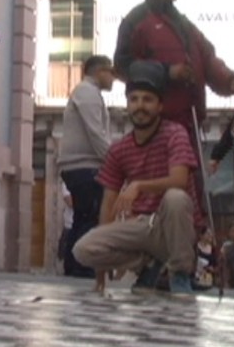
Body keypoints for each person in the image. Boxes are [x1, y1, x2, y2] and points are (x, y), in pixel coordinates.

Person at [73, 60, 204, 298]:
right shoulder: (119, 149)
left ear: (160, 106)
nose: (139, 106)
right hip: (142, 227)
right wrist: (100, 276)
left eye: (147, 100)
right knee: (82, 249)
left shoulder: (175, 134)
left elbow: (180, 180)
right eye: (134, 100)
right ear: (128, 105)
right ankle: (147, 263)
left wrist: (139, 185)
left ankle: (180, 274)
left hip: (174, 225)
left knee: (175, 198)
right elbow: (108, 206)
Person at [114, 0, 234, 137]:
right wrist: (168, 72)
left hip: (190, 126)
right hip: (156, 130)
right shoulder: (135, 21)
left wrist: (232, 80)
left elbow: (208, 59)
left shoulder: (185, 25)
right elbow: (122, 66)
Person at [57, 54, 114, 278]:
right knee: (90, 215)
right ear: (99, 72)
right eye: (111, 72)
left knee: (84, 215)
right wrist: (114, 161)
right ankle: (82, 266)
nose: (113, 78)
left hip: (82, 165)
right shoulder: (87, 93)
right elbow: (96, 132)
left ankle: (75, 265)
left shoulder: (88, 93)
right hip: (84, 166)